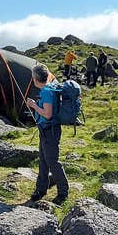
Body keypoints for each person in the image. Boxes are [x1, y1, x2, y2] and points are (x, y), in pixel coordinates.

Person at [25, 63, 69, 205]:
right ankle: (40, 190)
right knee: (43, 161)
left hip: (50, 130)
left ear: (36, 79)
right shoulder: (49, 87)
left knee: (52, 162)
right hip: (47, 130)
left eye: (33, 77)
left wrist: (33, 106)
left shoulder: (46, 91)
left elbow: (48, 114)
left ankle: (63, 192)